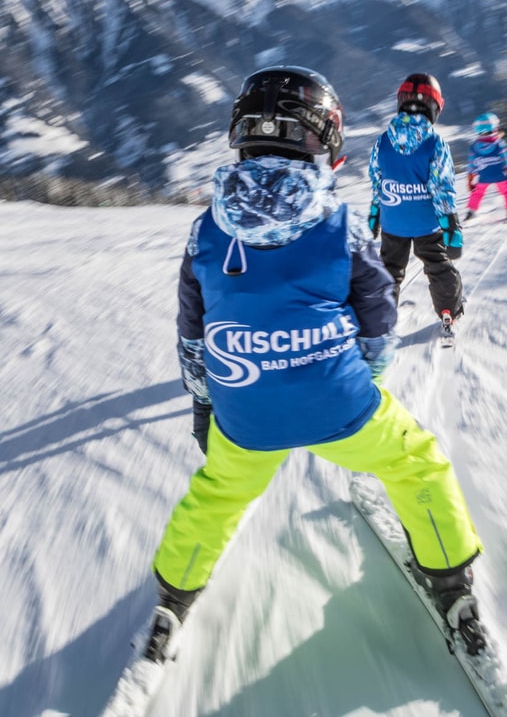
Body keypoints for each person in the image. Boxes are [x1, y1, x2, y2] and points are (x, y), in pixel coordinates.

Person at [143, 65, 485, 664]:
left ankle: (174, 597)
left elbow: (192, 337)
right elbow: (380, 320)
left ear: (240, 134)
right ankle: (452, 585)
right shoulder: (341, 225)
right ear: (325, 139)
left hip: (245, 416)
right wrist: (366, 384)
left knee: (218, 494)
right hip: (342, 406)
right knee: (417, 463)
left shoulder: (206, 232)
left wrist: (205, 404)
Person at [368, 73, 464, 336]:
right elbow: (442, 187)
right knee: (438, 266)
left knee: (389, 270)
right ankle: (448, 311)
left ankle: (380, 322)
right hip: (427, 224)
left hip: (392, 222)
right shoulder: (435, 143)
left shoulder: (383, 141)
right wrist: (451, 226)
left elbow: (377, 180)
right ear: (435, 107)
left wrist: (375, 213)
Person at [464, 112, 507, 222]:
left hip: (484, 176)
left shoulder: (474, 146)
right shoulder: (499, 143)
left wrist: (470, 179)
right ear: (494, 127)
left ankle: (471, 212)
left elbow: (471, 164)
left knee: (477, 193)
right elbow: (506, 160)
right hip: (500, 175)